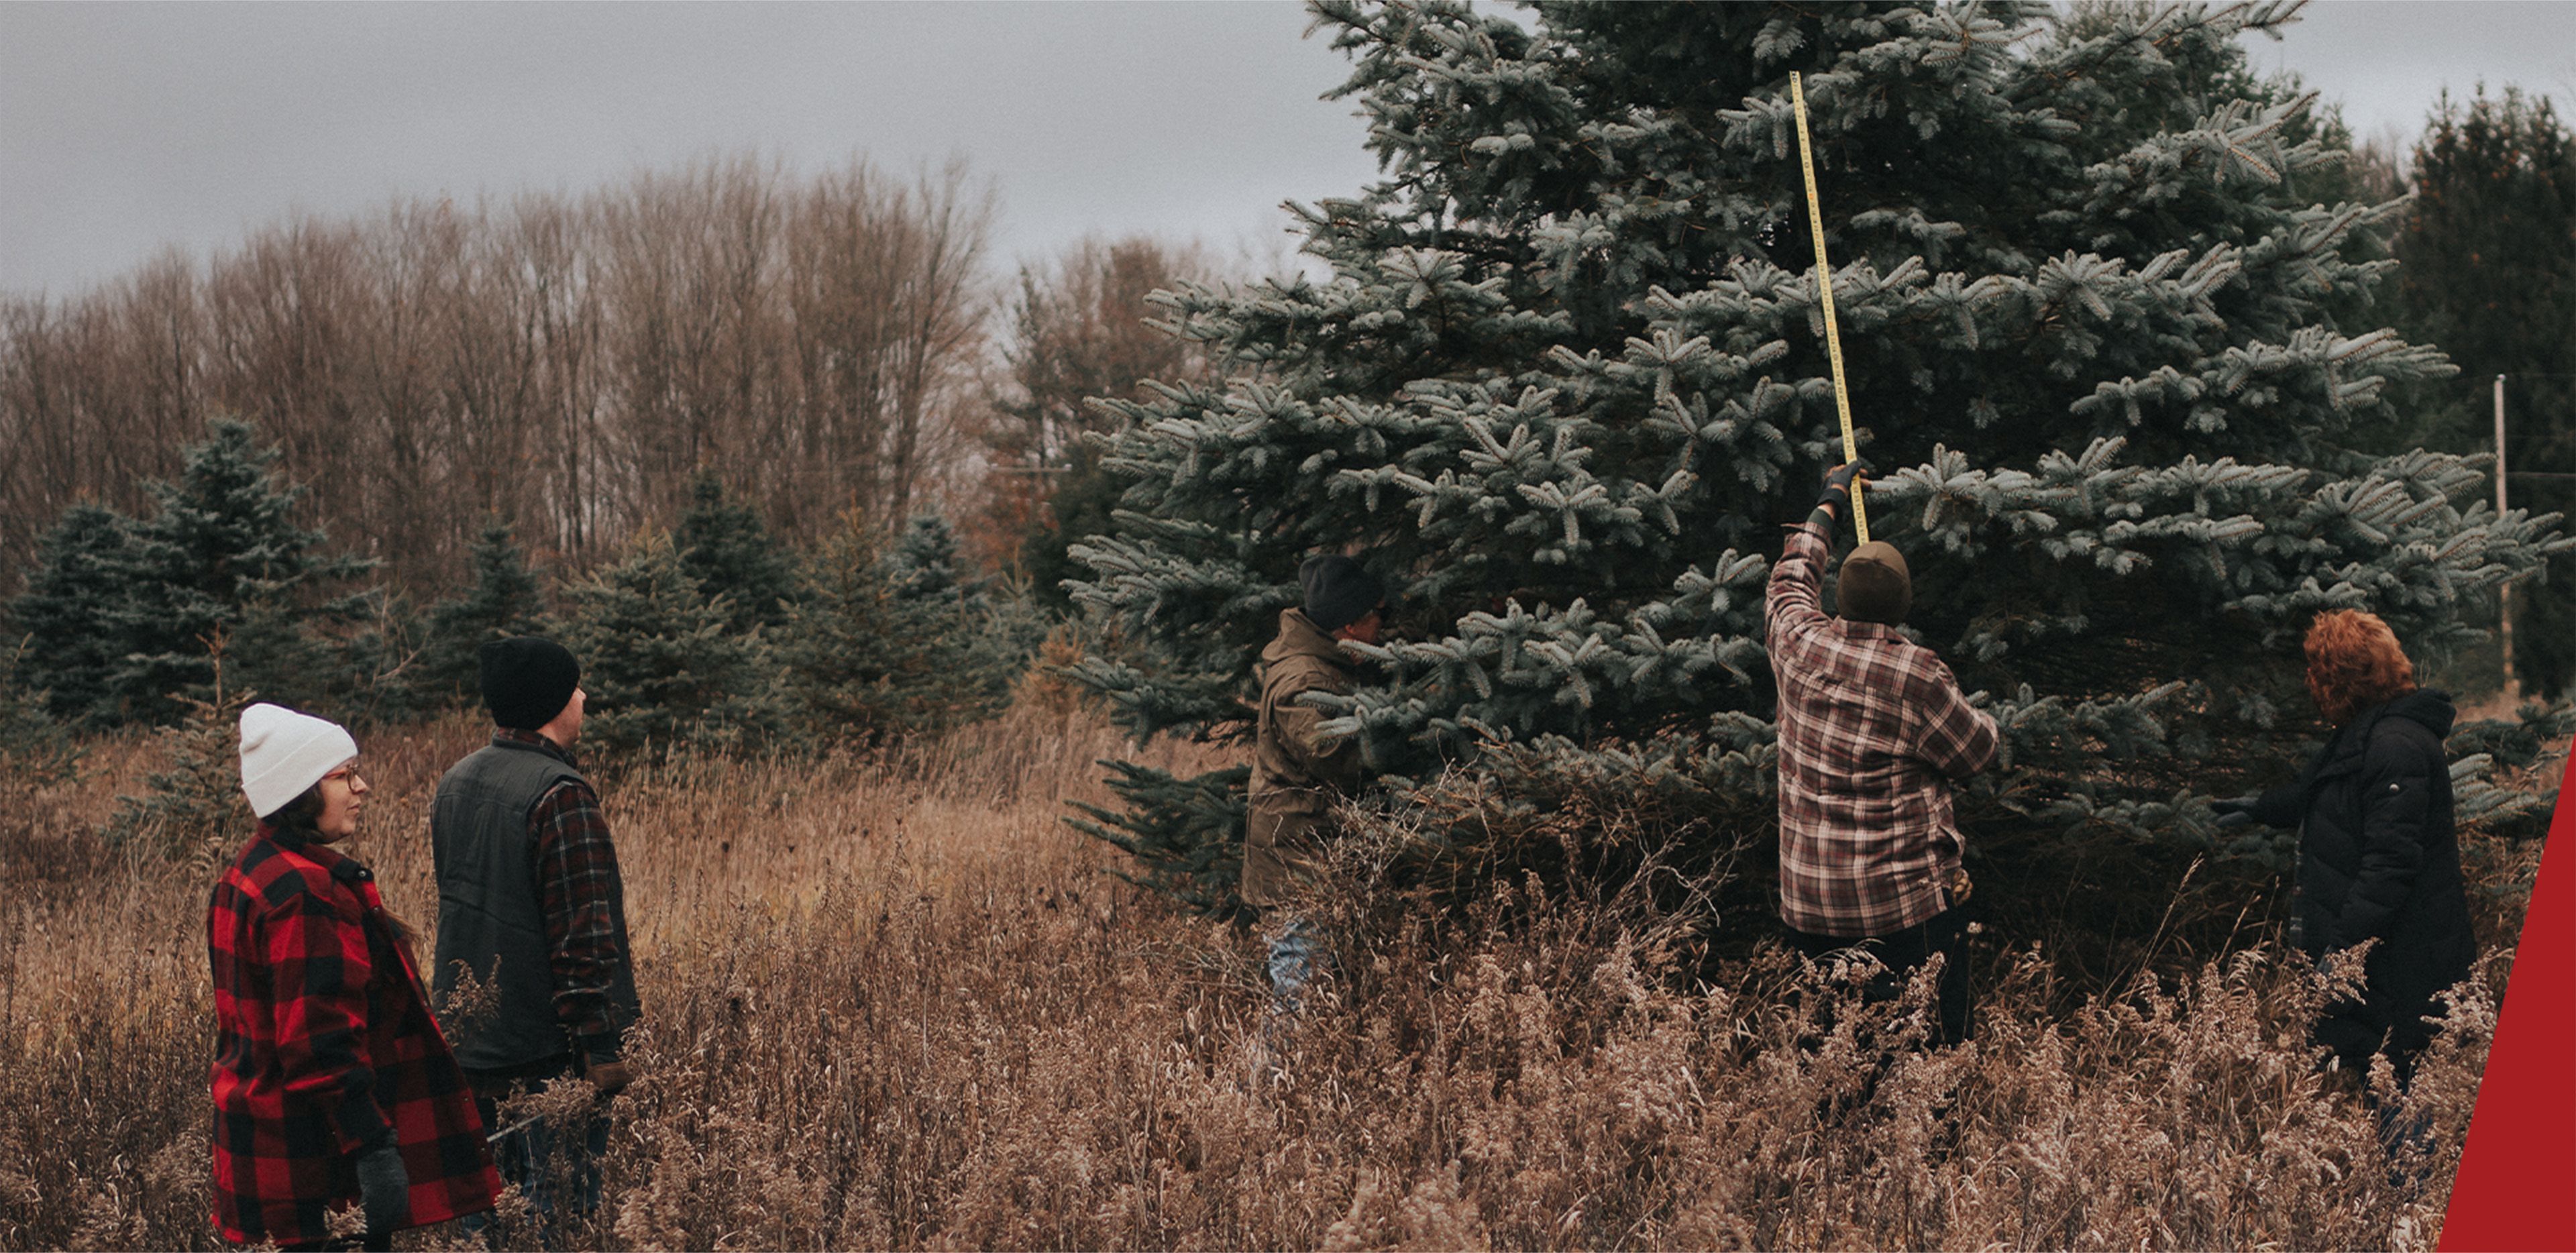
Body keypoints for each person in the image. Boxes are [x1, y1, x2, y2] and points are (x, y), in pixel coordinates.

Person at [210, 703, 499, 1250]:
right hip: (312, 1161)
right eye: (344, 775)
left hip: (260, 1144)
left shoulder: (247, 873)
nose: (362, 787)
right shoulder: (304, 894)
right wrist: (374, 1149)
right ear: (300, 789)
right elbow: (319, 1043)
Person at [1766, 463, 1999, 1046]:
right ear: (1902, 609)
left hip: (1808, 906)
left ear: (1836, 596)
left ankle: (1824, 1138)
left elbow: (1790, 578)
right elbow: (1977, 753)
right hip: (1900, 913)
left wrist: (1830, 499)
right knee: (1931, 1051)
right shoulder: (1916, 675)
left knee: (1826, 1058)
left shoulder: (1796, 640)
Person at [430, 637, 641, 1241]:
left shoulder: (456, 781)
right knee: (561, 1216)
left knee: (486, 1216)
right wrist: (600, 1047)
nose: (584, 696)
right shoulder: (562, 796)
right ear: (553, 701)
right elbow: (582, 938)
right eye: (575, 686)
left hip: (471, 1041)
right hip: (548, 1051)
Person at [2213, 609, 2473, 1091]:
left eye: (2318, 669)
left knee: (2402, 1094)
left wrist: (2342, 951)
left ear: (2345, 676)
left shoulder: (2396, 744)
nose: (2310, 680)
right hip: (2385, 962)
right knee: (2381, 1087)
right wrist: (2260, 808)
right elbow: (2325, 793)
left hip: (2405, 963)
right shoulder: (2365, 734)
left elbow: (2389, 865)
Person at [1244, 554, 1386, 1016]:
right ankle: (1265, 1086)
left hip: (1311, 850)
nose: (1381, 627)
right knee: (1298, 991)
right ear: (1349, 625)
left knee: (1315, 987)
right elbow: (1331, 756)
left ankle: (1295, 1083)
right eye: (1374, 617)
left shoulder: (1327, 664)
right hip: (1295, 858)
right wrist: (1389, 734)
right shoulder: (1303, 679)